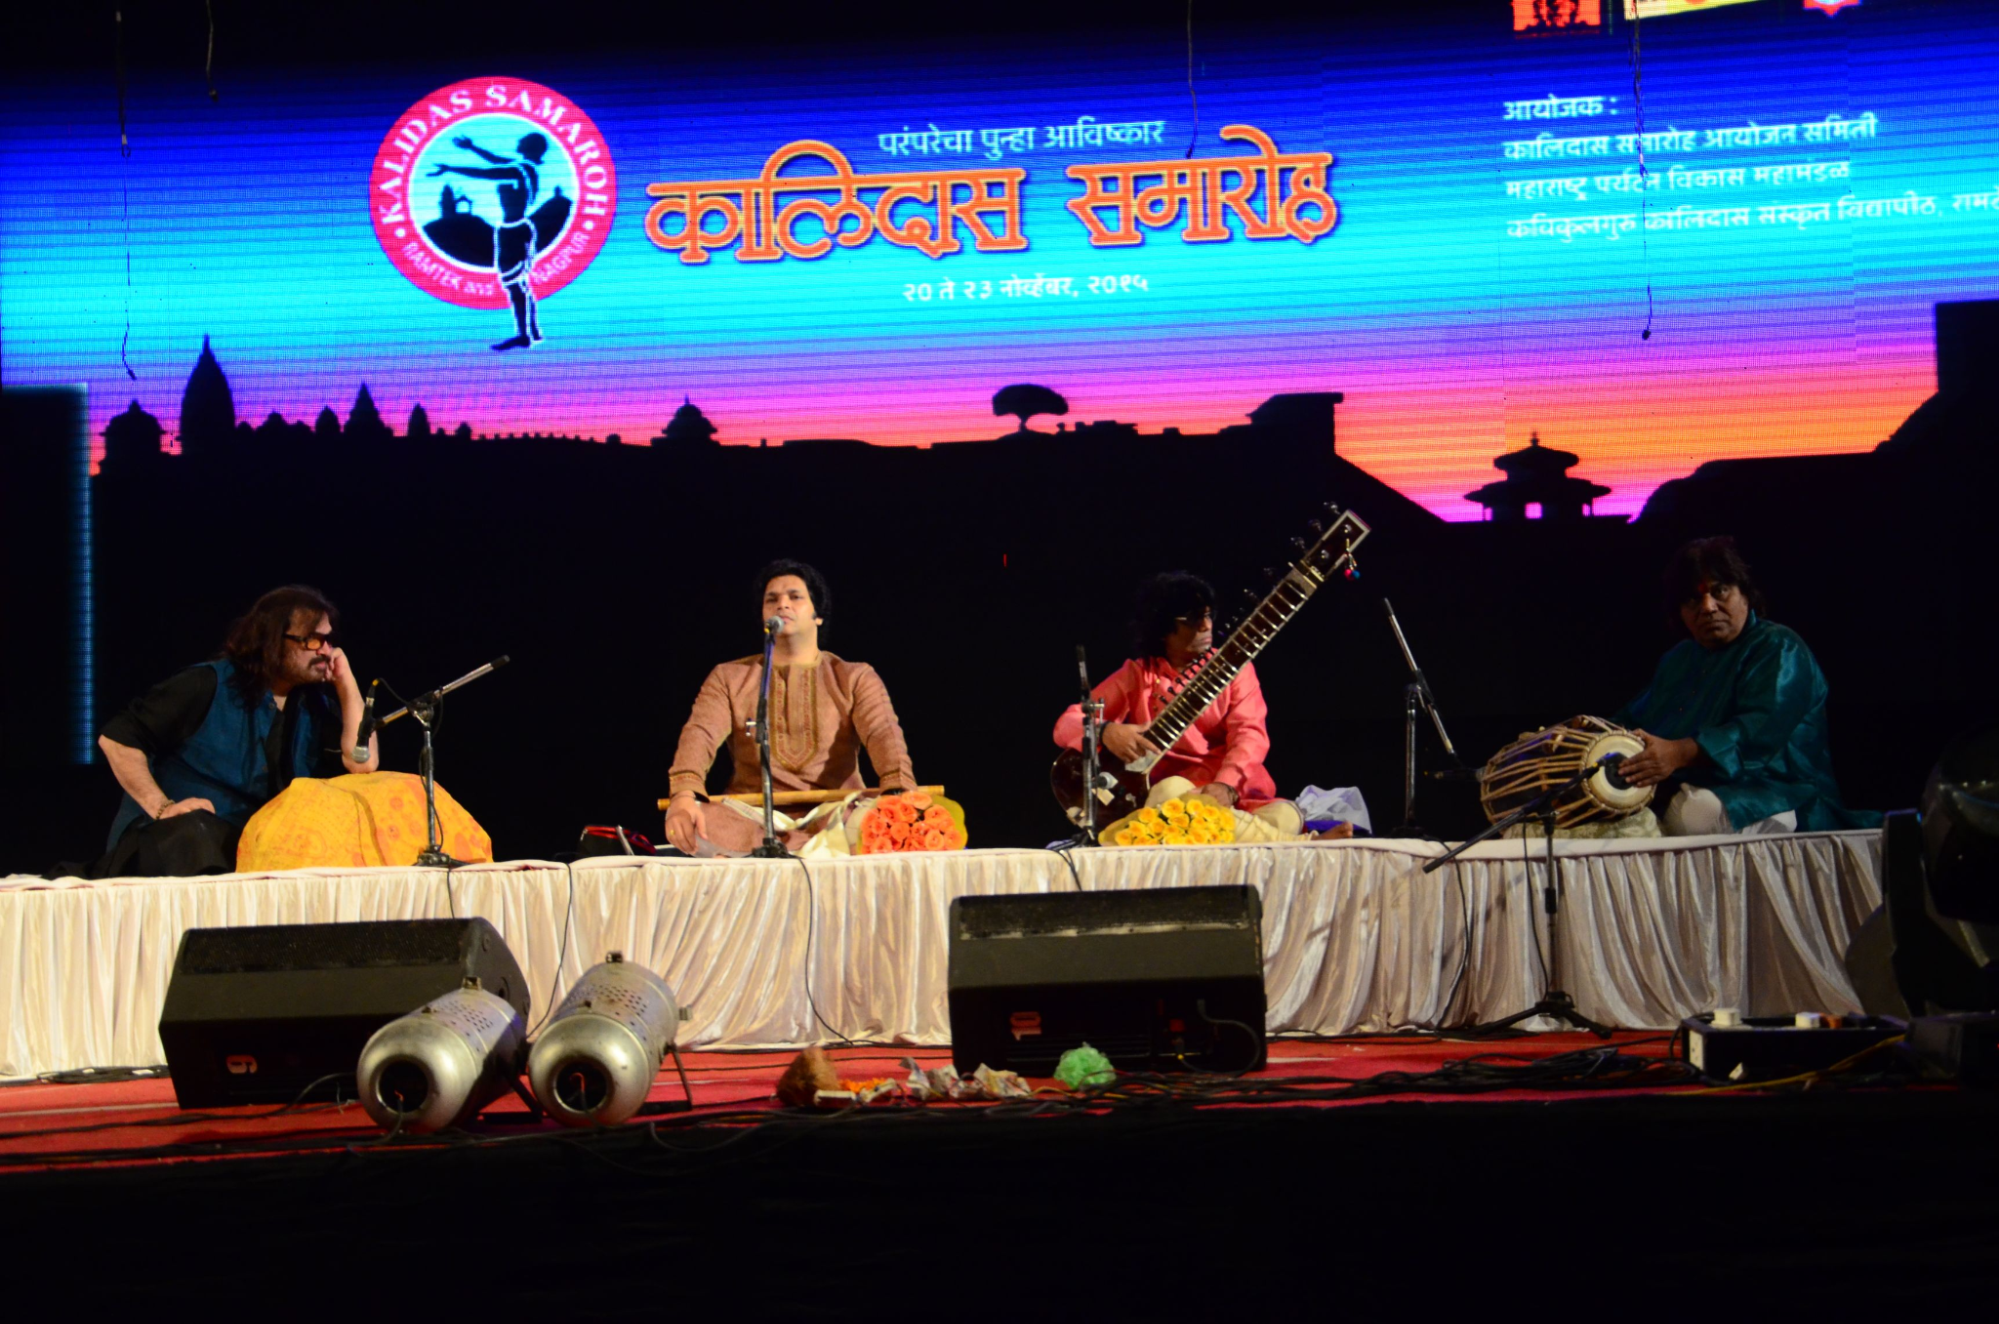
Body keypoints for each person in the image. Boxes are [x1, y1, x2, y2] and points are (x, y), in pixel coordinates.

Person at [96, 585, 379, 875]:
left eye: (328, 640)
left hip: (246, 851)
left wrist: (346, 683)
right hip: (170, 844)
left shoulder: (314, 707)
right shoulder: (207, 683)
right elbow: (117, 739)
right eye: (312, 640)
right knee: (196, 833)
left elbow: (363, 763)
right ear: (272, 639)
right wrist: (162, 808)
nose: (326, 651)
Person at [1615, 537, 1878, 835]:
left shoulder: (1779, 647)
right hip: (1695, 784)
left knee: (1696, 815)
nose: (1707, 607)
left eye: (1719, 591)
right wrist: (1584, 734)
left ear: (1745, 594)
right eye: (1692, 599)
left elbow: (1757, 730)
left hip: (1779, 789)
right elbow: (1633, 719)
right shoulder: (1679, 659)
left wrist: (1677, 753)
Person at [664, 560, 917, 855]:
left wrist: (897, 789)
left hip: (837, 812)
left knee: (877, 821)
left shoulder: (854, 676)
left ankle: (781, 852)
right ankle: (800, 850)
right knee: (698, 821)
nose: (782, 604)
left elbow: (882, 731)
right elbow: (700, 733)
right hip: (751, 818)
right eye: (771, 599)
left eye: (795, 597)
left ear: (818, 616)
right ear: (763, 615)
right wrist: (683, 794)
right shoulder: (729, 677)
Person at [1053, 572, 1276, 809]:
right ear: (1162, 628)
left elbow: (1249, 734)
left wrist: (1226, 785)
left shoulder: (1233, 669)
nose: (1206, 625)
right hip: (1166, 797)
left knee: (1285, 815)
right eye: (1193, 618)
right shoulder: (1139, 675)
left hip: (1229, 791)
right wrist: (1105, 731)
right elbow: (1066, 723)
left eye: (1208, 615)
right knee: (1171, 791)